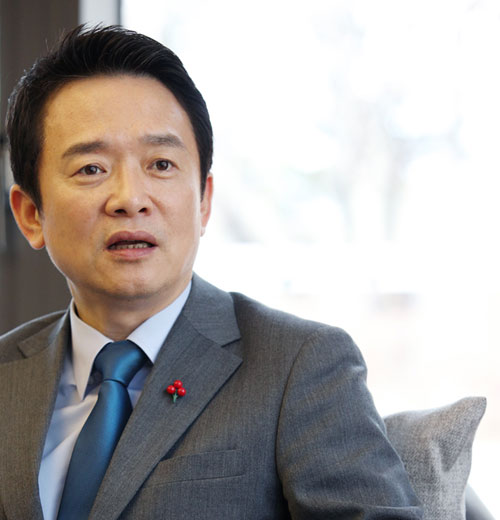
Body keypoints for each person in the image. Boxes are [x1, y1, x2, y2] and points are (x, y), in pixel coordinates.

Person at [0, 25, 422, 520]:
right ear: (31, 215)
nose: (130, 199)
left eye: (161, 164)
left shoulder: (298, 366)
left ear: (203, 201)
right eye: (91, 169)